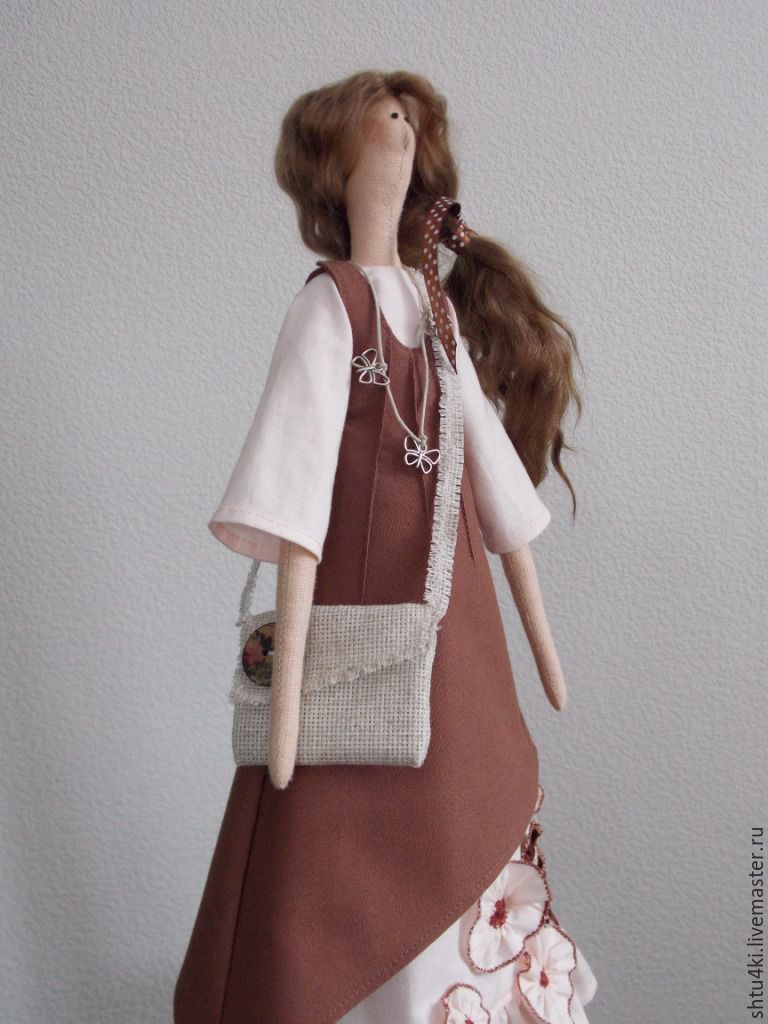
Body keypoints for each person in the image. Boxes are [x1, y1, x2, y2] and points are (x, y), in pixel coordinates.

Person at [174, 70, 597, 1024]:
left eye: (409, 123)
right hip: (358, 603)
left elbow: (486, 453)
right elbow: (297, 479)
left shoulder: (430, 305)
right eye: (382, 124)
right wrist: (287, 698)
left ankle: (466, 984)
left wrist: (537, 628)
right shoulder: (331, 305)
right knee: (339, 803)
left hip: (459, 610)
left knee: (465, 774)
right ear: (333, 166)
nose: (400, 134)